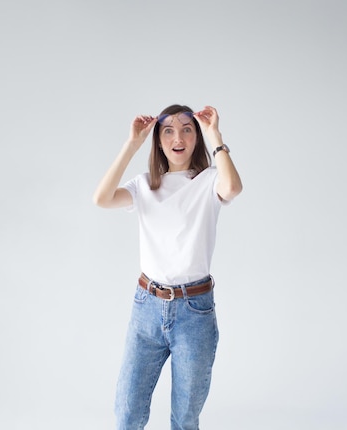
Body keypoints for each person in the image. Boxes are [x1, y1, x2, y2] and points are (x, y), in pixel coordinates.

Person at [93, 104, 242, 429]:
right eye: (169, 130)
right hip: (146, 308)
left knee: (185, 418)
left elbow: (232, 188)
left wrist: (214, 133)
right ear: (159, 141)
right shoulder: (144, 185)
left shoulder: (209, 181)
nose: (179, 137)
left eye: (188, 129)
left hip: (194, 312)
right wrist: (131, 144)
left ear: (196, 138)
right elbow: (102, 199)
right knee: (128, 413)